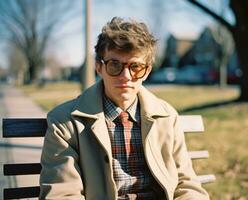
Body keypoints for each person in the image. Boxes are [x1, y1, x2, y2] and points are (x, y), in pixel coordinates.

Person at [39, 17, 209, 200]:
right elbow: (62, 194)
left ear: (148, 70)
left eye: (135, 67)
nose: (126, 76)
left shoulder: (167, 117)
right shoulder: (65, 122)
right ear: (99, 67)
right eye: (114, 65)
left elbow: (187, 183)